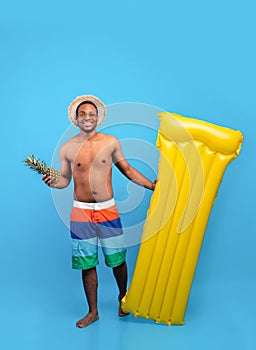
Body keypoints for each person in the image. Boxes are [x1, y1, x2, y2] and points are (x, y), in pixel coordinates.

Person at [42, 95, 157, 328]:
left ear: (98, 118)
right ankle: (92, 311)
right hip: (81, 211)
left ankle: (123, 298)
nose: (87, 117)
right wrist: (54, 182)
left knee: (117, 260)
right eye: (82, 114)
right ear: (76, 119)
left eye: (91, 114)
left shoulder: (111, 142)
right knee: (87, 263)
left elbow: (127, 169)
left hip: (107, 209)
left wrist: (151, 185)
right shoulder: (68, 148)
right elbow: (65, 179)